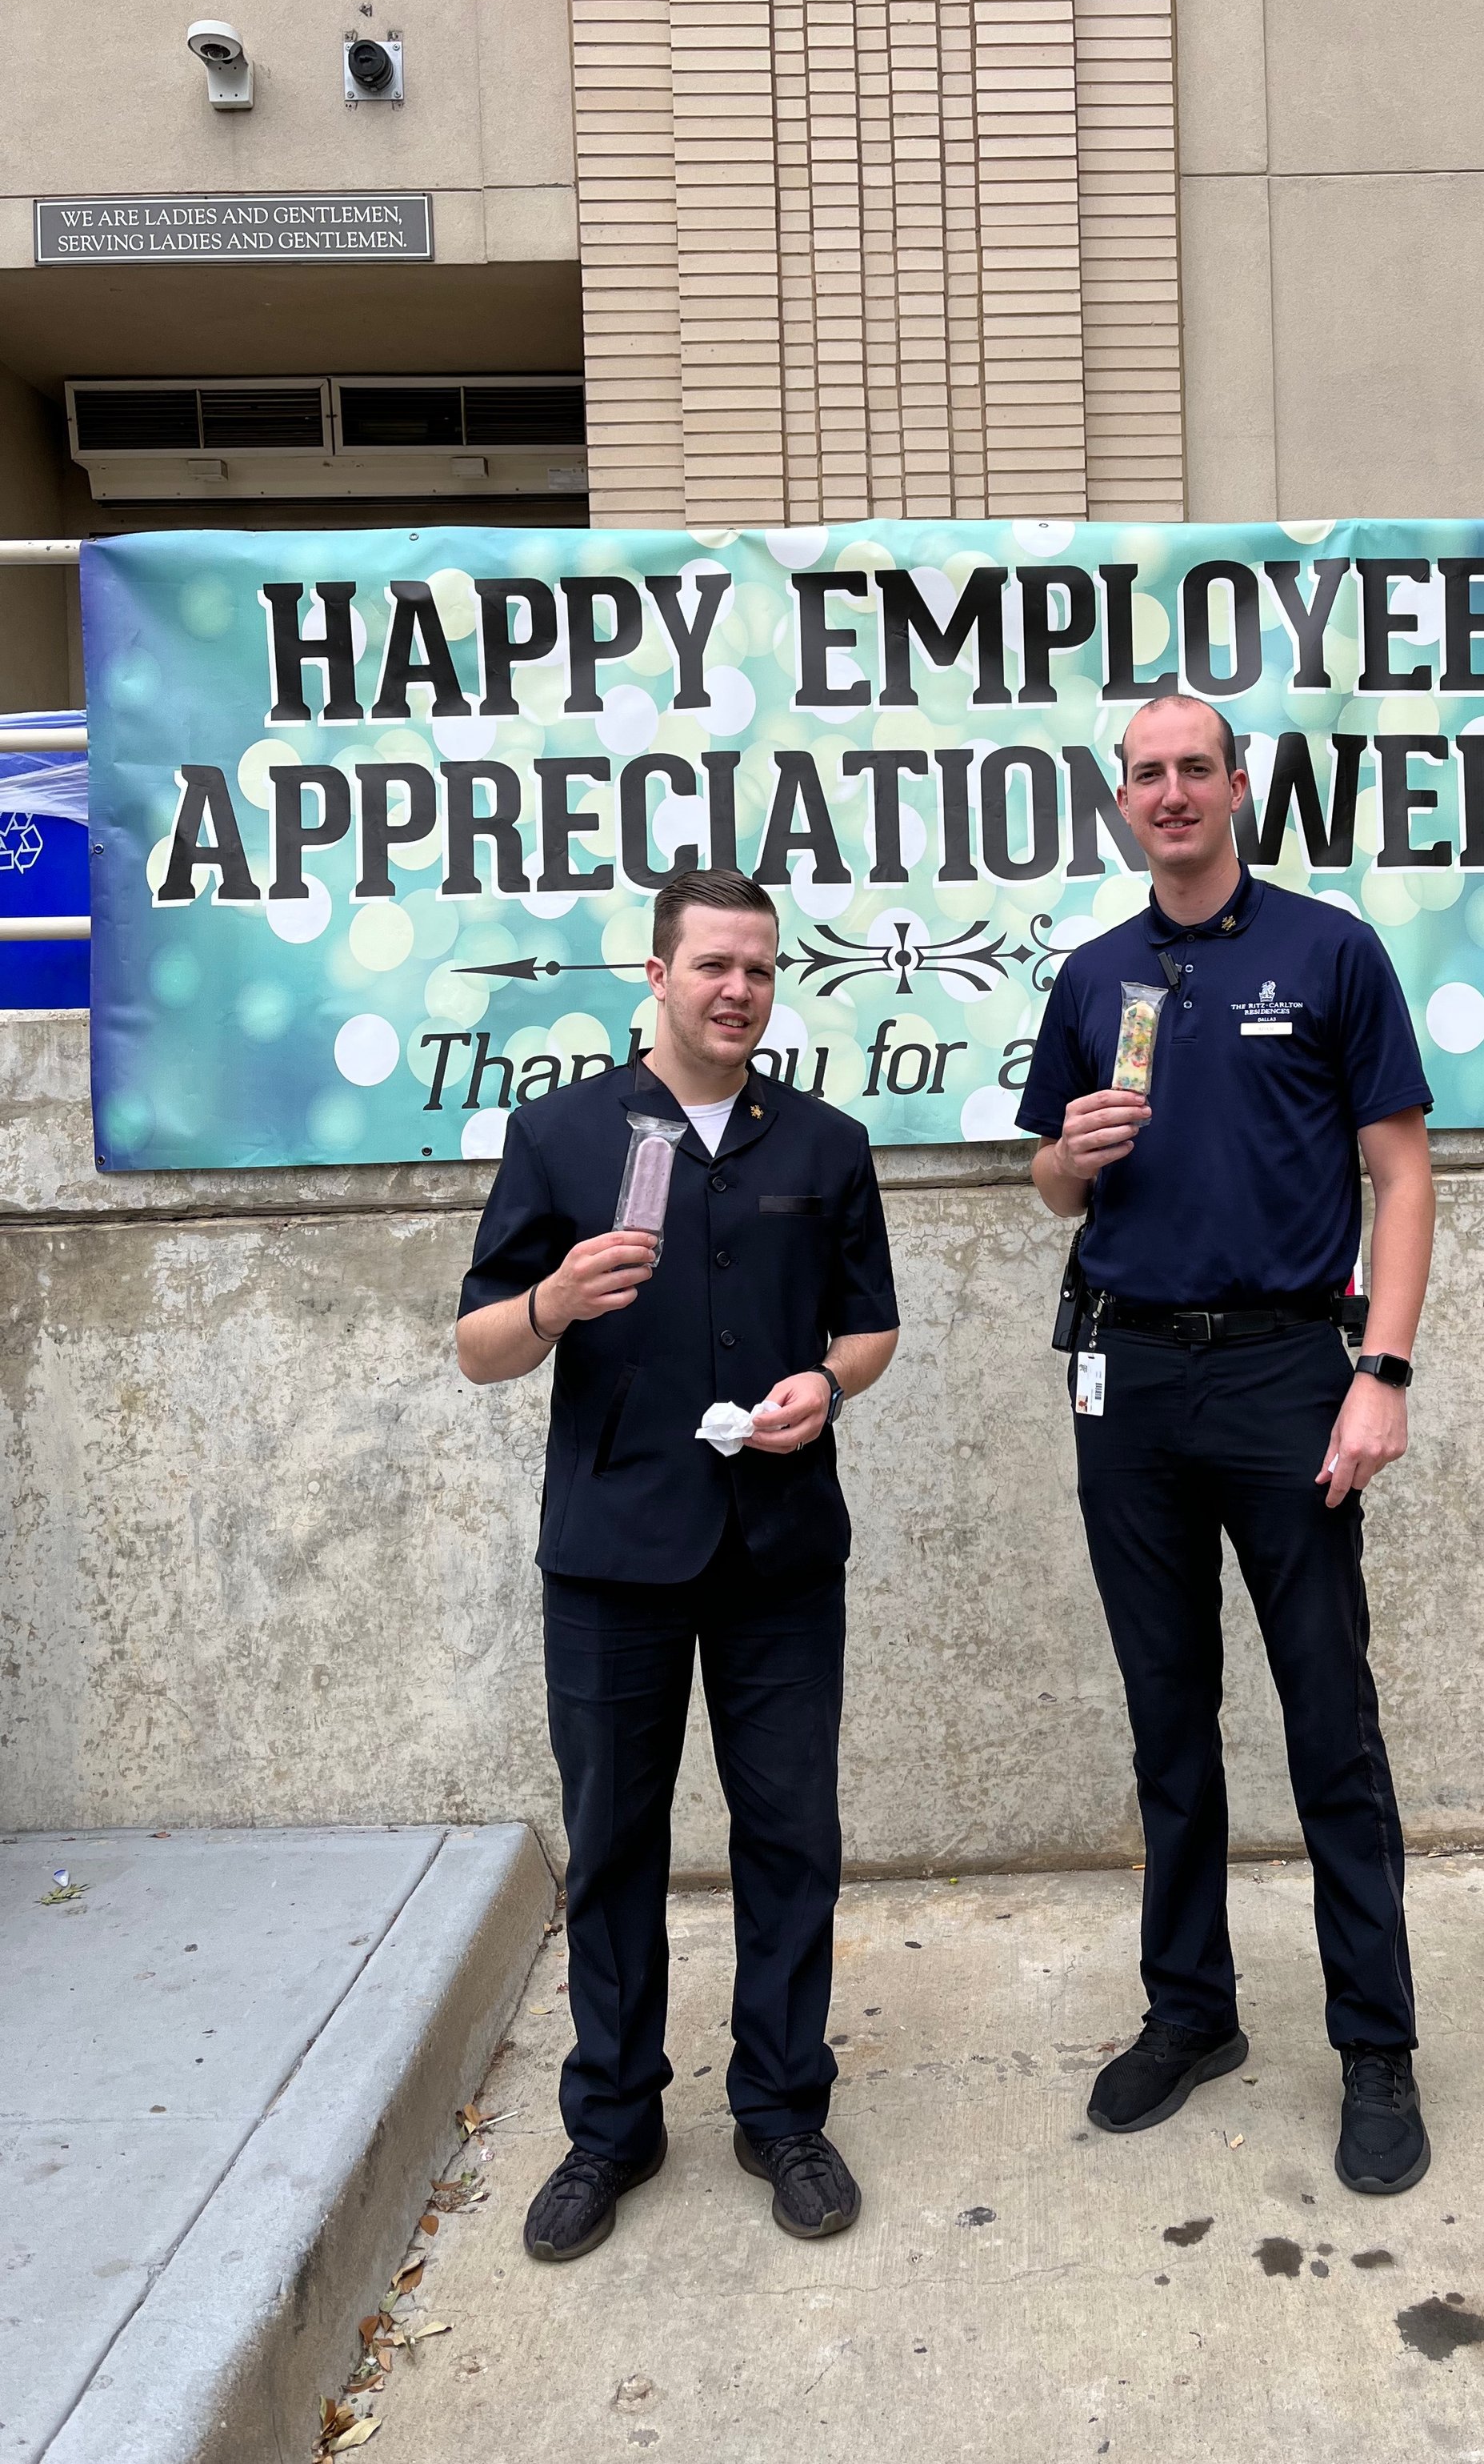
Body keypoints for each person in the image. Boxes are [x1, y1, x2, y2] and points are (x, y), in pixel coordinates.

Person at [1015, 695, 1438, 2195]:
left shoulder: (1328, 951)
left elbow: (1401, 1171)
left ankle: (1376, 2047)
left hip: (1283, 1375)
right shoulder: (1093, 974)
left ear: (1239, 785)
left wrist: (1377, 1370)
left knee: (1331, 1723)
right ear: (1120, 801)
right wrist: (1074, 1152)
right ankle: (1192, 2012)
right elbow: (1053, 1193)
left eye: (1198, 767)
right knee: (1167, 1722)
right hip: (1128, 1378)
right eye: (1149, 773)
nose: (1174, 791)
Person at [456, 866, 900, 2260]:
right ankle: (612, 2123)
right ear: (655, 974)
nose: (738, 991)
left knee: (790, 1840)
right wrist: (549, 1299)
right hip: (611, 1555)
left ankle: (781, 2108)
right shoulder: (563, 1133)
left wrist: (826, 1387)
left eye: (761, 969)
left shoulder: (824, 1143)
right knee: (616, 1850)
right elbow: (476, 1342)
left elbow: (870, 1327)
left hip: (778, 1552)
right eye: (713, 965)